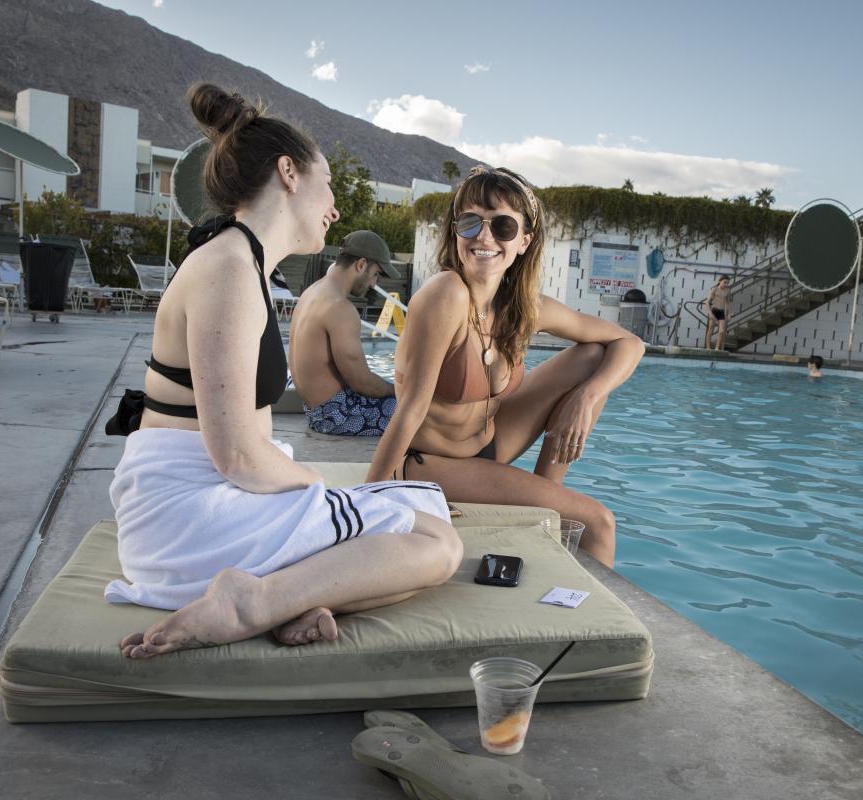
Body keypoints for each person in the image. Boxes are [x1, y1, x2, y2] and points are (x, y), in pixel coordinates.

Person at [112, 84, 462, 660]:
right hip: (186, 519)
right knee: (436, 543)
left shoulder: (238, 260)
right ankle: (250, 605)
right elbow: (239, 457)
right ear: (289, 173)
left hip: (201, 505)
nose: (335, 206)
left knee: (415, 518)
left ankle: (285, 599)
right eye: (329, 183)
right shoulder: (227, 269)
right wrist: (319, 488)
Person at [364, 166, 645, 568]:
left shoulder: (521, 308)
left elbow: (628, 343)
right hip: (432, 463)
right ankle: (552, 527)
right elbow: (410, 409)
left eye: (502, 227)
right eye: (470, 222)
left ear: (524, 241)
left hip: (492, 444)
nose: (484, 237)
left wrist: (587, 397)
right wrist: (369, 503)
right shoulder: (446, 294)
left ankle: (545, 508)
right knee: (599, 523)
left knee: (592, 358)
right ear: (455, 231)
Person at [289, 230, 400, 435]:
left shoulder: (311, 293)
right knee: (421, 410)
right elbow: (362, 382)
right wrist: (399, 389)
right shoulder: (340, 308)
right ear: (361, 264)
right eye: (376, 274)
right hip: (338, 416)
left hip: (315, 413)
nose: (374, 283)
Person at [704, 275, 731, 350]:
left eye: (727, 283)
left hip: (721, 312)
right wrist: (710, 313)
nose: (726, 284)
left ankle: (717, 348)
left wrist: (728, 314)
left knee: (721, 331)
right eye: (725, 282)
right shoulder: (715, 289)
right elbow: (707, 302)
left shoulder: (728, 290)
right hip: (714, 310)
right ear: (720, 281)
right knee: (711, 329)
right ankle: (708, 347)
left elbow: (728, 303)